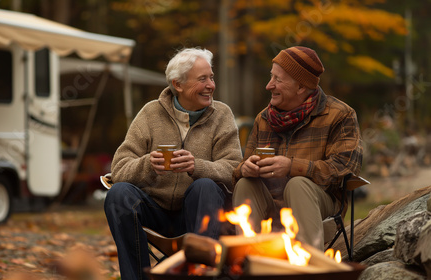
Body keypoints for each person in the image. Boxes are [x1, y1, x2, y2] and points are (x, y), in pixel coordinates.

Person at [105, 47, 242, 280]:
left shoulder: (222, 115)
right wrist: (148, 164)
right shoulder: (150, 113)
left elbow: (234, 169)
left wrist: (196, 166)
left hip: (200, 213)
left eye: (211, 77)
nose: (211, 85)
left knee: (205, 186)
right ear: (178, 84)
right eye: (202, 79)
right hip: (155, 213)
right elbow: (118, 169)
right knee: (119, 194)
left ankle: (201, 274)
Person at [232, 46, 363, 251]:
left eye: (278, 80)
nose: (269, 86)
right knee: (245, 184)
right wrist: (244, 169)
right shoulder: (263, 119)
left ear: (301, 87)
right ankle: (248, 262)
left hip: (320, 205)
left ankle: (309, 269)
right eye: (270, 77)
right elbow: (240, 168)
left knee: (297, 184)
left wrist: (293, 167)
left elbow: (345, 169)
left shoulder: (340, 115)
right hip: (271, 206)